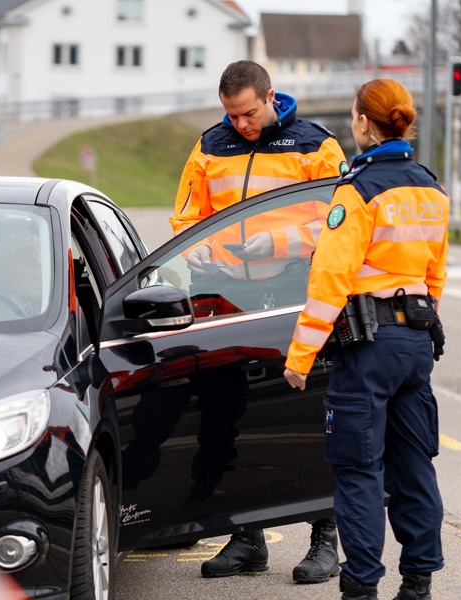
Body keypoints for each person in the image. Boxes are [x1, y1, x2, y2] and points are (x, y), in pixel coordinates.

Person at [171, 59, 348, 583]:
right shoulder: (210, 145)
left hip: (296, 291)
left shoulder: (316, 146)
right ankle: (246, 536)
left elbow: (340, 221)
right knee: (229, 414)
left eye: (248, 113)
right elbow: (187, 217)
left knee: (310, 413)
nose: (240, 124)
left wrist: (277, 243)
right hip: (227, 294)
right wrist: (200, 251)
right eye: (231, 114)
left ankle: (324, 538)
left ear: (271, 97)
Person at [283, 78, 449, 600]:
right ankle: (418, 584)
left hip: (368, 347)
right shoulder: (431, 188)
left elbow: (329, 280)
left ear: (361, 121)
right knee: (414, 467)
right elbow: (435, 276)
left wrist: (300, 357)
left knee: (359, 472)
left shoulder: (357, 190)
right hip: (415, 343)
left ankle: (360, 589)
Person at [0, 222, 45, 316]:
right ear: (1, 270)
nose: (42, 273)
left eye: (42, 264)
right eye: (32, 264)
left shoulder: (52, 312)